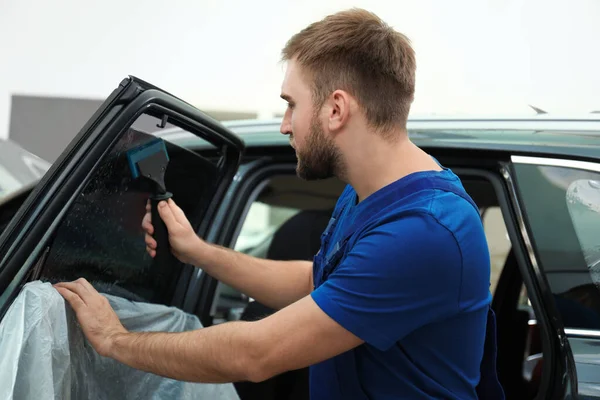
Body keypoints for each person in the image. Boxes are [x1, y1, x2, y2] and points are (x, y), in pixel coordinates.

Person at [54, 8, 501, 400]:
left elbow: (256, 353)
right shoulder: (371, 194)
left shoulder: (424, 231)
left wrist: (115, 339)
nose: (286, 125)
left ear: (336, 109)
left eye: (291, 104)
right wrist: (199, 252)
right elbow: (318, 280)